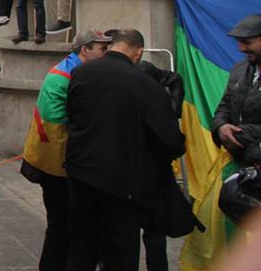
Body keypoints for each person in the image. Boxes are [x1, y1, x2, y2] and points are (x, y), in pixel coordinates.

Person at [64, 29, 186, 271]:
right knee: (120, 252)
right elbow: (170, 140)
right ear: (138, 52)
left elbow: (72, 116)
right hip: (122, 184)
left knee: (81, 248)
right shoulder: (145, 84)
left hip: (81, 176)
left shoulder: (80, 72)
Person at [20, 30, 111, 271]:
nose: (107, 54)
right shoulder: (69, 76)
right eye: (102, 49)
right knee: (62, 225)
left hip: (57, 162)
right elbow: (62, 125)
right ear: (85, 50)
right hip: (57, 165)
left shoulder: (70, 70)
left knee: (66, 225)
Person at [212, 14, 261, 166]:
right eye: (239, 42)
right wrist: (221, 127)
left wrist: (246, 142)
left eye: (247, 42)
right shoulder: (239, 70)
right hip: (242, 165)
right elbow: (224, 106)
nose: (241, 48)